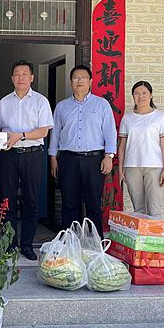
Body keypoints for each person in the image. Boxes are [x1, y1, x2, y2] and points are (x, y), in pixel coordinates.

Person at [0, 61, 54, 260]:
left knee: (30, 200)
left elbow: (43, 131)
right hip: (8, 155)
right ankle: (9, 244)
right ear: (12, 78)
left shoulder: (41, 101)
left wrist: (21, 135)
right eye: (17, 74)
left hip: (32, 154)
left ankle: (27, 245)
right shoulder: (5, 102)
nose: (20, 77)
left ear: (31, 77)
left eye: (24, 74)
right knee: (7, 199)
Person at [49, 65, 117, 236]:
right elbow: (55, 133)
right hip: (68, 160)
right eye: (75, 78)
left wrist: (109, 156)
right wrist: (53, 157)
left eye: (83, 77)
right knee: (69, 203)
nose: (79, 81)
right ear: (70, 81)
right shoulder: (62, 106)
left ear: (90, 81)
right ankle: (70, 242)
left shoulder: (101, 104)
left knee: (93, 203)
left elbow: (110, 131)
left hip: (94, 160)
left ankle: (94, 242)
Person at [118, 81, 164, 217]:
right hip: (132, 167)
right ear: (133, 96)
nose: (140, 96)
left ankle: (155, 232)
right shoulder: (127, 118)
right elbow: (122, 146)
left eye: (144, 93)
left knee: (154, 210)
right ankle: (141, 233)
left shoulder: (160, 117)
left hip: (154, 167)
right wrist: (120, 169)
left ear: (151, 95)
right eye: (137, 93)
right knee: (139, 210)